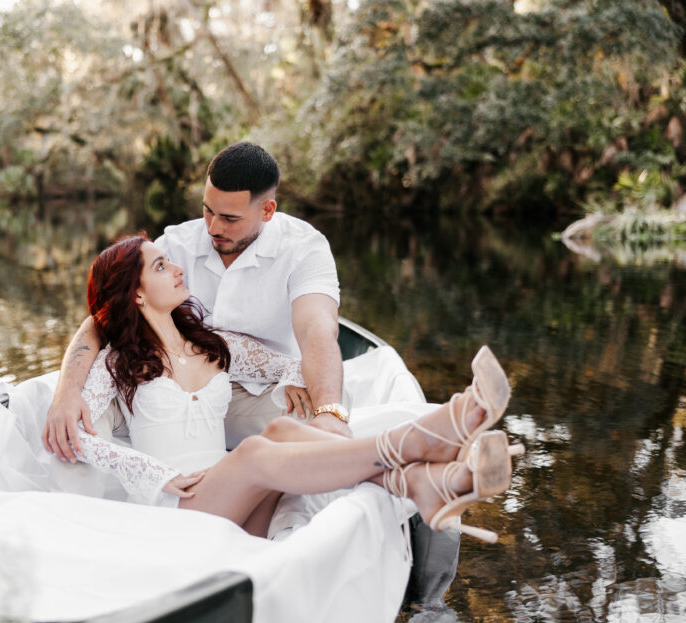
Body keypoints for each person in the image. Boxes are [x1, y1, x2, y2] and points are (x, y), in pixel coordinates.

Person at [71, 235, 522, 540]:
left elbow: (289, 363)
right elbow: (85, 439)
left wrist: (290, 380)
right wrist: (156, 475)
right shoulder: (116, 364)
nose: (176, 269)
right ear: (136, 293)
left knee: (283, 431)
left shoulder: (212, 345)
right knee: (250, 451)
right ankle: (429, 443)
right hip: (179, 512)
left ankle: (428, 480)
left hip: (240, 506)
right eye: (160, 265)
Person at [44, 142, 390, 462]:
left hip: (262, 393)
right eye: (208, 210)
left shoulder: (303, 248)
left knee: (317, 428)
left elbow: (318, 328)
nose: (212, 226)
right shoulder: (176, 244)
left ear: (268, 210)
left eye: (229, 218)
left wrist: (329, 410)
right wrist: (66, 393)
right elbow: (104, 318)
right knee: (82, 411)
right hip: (168, 385)